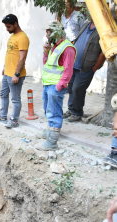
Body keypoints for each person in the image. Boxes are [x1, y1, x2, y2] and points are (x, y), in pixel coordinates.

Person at [35, 21, 76, 151]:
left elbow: (68, 71)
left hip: (55, 86)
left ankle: (52, 142)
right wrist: (45, 52)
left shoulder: (67, 48)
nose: (47, 36)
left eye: (48, 32)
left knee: (54, 112)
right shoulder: (54, 46)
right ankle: (49, 132)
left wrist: (59, 87)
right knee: (48, 109)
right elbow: (47, 64)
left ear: (57, 32)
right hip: (48, 84)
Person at [63, 17, 106, 122]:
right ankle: (71, 109)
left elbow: (103, 51)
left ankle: (77, 113)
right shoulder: (87, 23)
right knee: (71, 88)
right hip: (74, 64)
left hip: (86, 67)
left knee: (78, 89)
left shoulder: (102, 28)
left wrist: (94, 68)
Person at [0, 14, 29, 128]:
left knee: (15, 98)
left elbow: (22, 58)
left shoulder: (22, 37)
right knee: (3, 94)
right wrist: (5, 67)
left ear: (15, 24)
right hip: (7, 73)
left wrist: (17, 74)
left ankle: (14, 120)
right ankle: (3, 115)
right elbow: (10, 53)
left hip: (15, 75)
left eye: (8, 27)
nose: (7, 29)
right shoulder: (12, 35)